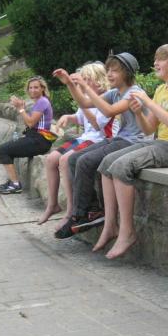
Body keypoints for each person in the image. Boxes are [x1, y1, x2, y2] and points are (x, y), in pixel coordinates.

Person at [94, 44, 168, 259]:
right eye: (155, 59)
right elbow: (149, 129)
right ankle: (110, 225)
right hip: (161, 143)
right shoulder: (161, 90)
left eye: (160, 59)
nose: (155, 63)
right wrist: (138, 113)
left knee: (121, 167)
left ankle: (127, 232)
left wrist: (148, 103)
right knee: (107, 163)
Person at [52, 52, 146, 239]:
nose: (109, 74)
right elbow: (85, 103)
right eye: (108, 70)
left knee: (86, 161)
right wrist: (70, 84)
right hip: (121, 138)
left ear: (127, 73)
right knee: (74, 159)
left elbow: (109, 111)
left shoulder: (134, 92)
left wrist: (85, 85)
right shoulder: (115, 93)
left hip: (134, 141)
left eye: (114, 71)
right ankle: (91, 210)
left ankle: (80, 214)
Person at [39, 62, 114, 224]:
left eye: (87, 79)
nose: (84, 83)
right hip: (85, 137)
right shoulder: (86, 97)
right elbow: (80, 118)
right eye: (83, 79)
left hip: (98, 139)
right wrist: (68, 117)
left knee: (65, 160)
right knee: (51, 159)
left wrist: (82, 101)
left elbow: (97, 125)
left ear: (98, 80)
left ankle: (71, 209)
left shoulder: (107, 97)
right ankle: (52, 205)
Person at [0, 76, 55, 195]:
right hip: (35, 138)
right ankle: (12, 180)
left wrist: (21, 109)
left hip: (39, 141)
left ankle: (15, 185)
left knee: (3, 149)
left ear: (42, 88)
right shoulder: (39, 102)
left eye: (36, 87)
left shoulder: (42, 102)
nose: (33, 90)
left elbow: (30, 123)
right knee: (8, 148)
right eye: (30, 88)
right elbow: (29, 123)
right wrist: (21, 109)